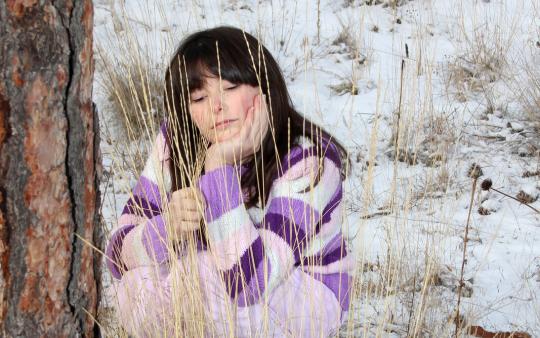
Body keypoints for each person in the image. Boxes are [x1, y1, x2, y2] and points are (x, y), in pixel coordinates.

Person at [105, 26, 354, 337]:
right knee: (133, 289)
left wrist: (219, 167)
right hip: (211, 295)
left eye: (230, 87)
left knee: (205, 275)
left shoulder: (307, 161)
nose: (215, 107)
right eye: (198, 96)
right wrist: (166, 230)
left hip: (302, 298)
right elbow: (116, 257)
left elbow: (250, 283)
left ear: (263, 87)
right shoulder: (178, 141)